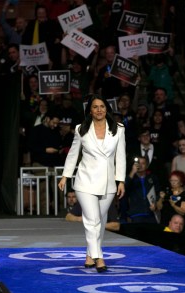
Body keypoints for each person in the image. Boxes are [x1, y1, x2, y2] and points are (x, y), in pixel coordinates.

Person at [58, 94, 126, 273]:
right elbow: (73, 154)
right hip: (85, 181)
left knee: (100, 221)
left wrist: (121, 180)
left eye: (102, 106)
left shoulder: (118, 129)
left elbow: (121, 156)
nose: (99, 110)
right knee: (93, 220)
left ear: (106, 109)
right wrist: (65, 176)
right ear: (90, 110)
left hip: (109, 183)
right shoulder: (81, 129)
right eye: (95, 107)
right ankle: (99, 257)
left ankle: (89, 255)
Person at [125, 156, 160, 223]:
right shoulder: (131, 177)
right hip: (136, 214)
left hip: (151, 213)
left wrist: (156, 204)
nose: (140, 165)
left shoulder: (152, 178)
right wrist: (132, 172)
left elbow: (158, 192)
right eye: (138, 163)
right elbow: (124, 187)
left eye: (143, 163)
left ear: (147, 166)